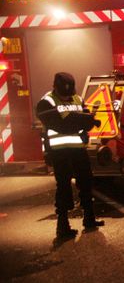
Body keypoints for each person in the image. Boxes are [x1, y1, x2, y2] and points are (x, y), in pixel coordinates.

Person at [36, 72, 104, 238]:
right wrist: (81, 122)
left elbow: (87, 120)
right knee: (64, 187)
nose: (67, 96)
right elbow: (60, 125)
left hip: (78, 149)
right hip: (59, 152)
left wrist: (85, 124)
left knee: (86, 182)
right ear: (55, 88)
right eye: (63, 93)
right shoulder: (46, 102)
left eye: (69, 93)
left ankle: (89, 218)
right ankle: (63, 225)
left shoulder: (77, 99)